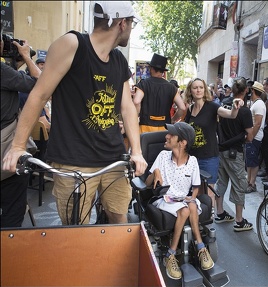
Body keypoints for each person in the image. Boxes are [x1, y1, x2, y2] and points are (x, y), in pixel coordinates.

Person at [2, 1, 148, 225]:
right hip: (73, 162)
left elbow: (127, 107)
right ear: (122, 23)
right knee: (75, 228)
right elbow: (39, 94)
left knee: (121, 220)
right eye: (131, 23)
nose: (130, 28)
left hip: (113, 159)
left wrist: (136, 151)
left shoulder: (118, 59)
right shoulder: (72, 44)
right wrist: (18, 146)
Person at [145, 122, 214, 280]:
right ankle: (183, 251)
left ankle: (186, 250)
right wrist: (155, 171)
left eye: (171, 135)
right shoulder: (163, 156)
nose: (166, 136)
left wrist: (193, 197)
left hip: (183, 199)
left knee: (190, 205)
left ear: (182, 143)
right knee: (186, 209)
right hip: (163, 199)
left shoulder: (193, 161)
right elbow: (147, 183)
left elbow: (196, 187)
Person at [1, 24, 41, 227]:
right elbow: (40, 84)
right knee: (12, 213)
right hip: (6, 155)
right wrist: (27, 57)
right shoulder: (3, 72)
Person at [184, 78, 243, 215]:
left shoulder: (212, 107)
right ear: (190, 91)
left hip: (209, 157)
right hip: (192, 158)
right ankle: (197, 219)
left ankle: (208, 221)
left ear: (204, 90)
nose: (198, 90)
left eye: (201, 87)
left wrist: (235, 106)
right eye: (195, 88)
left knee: (209, 191)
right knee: (196, 191)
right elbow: (186, 131)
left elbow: (231, 115)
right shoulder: (190, 109)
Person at [214, 80, 254, 231]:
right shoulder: (244, 111)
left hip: (221, 149)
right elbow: (249, 136)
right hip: (234, 152)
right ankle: (239, 220)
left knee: (222, 181)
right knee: (239, 184)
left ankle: (219, 213)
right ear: (245, 91)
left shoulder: (223, 103)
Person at [133, 53, 186, 132]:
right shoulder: (171, 87)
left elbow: (136, 101)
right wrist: (172, 119)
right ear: (163, 72)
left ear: (152, 68)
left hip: (145, 127)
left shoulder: (143, 84)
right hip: (164, 128)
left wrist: (135, 117)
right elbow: (182, 108)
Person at [246, 82, 266, 193]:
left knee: (253, 161)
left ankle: (252, 183)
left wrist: (251, 136)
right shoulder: (257, 103)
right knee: (250, 161)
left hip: (255, 137)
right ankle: (249, 181)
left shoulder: (259, 104)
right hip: (253, 136)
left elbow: (257, 123)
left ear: (253, 91)